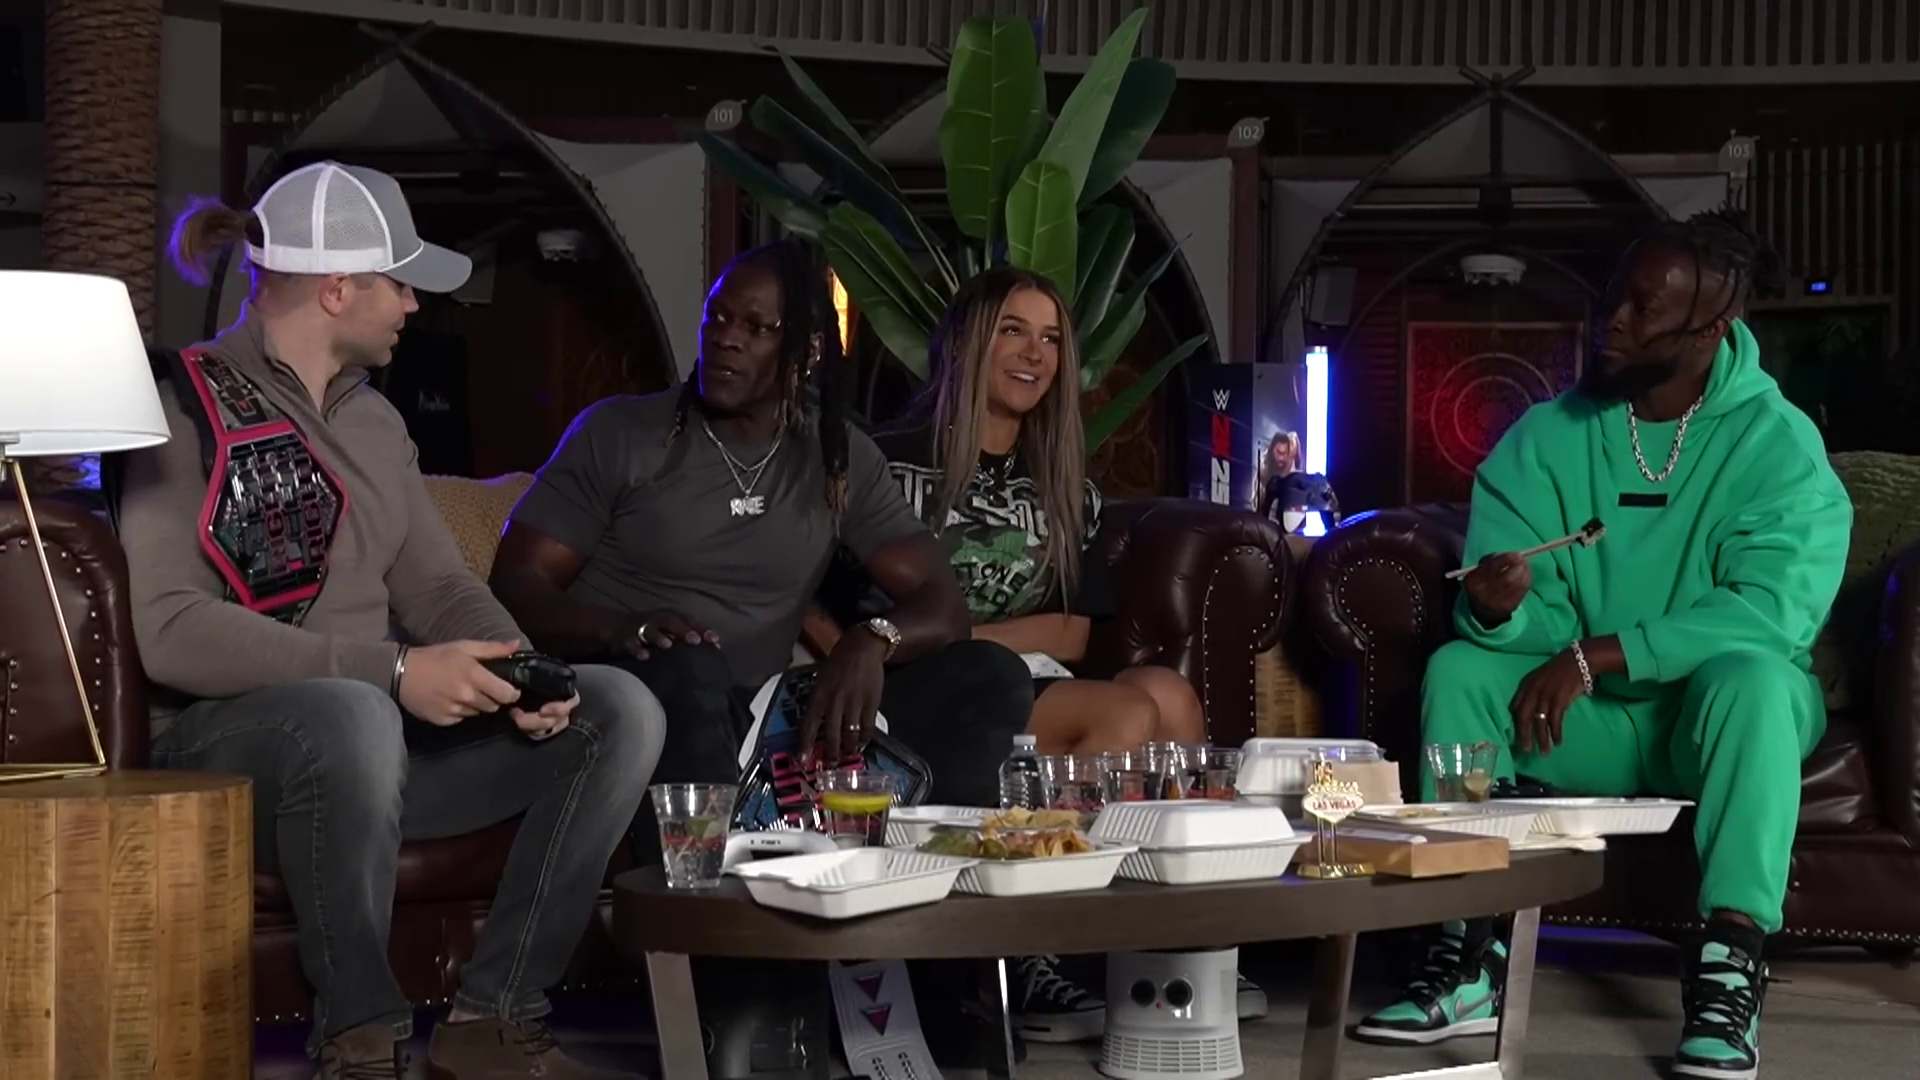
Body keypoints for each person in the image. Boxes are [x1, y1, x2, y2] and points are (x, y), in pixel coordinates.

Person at [113, 161, 667, 1080]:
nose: (414, 304)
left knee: (619, 708)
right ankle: (361, 1040)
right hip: (229, 759)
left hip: (375, 751)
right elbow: (168, 628)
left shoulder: (375, 423)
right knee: (354, 711)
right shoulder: (180, 406)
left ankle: (495, 1019)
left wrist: (525, 672)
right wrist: (397, 674)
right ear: (337, 288)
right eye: (399, 282)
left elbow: (439, 586)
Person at [1355, 209, 1848, 1080]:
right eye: (1613, 297)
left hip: (1713, 724)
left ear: (1709, 330)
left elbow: (1772, 614)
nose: (1610, 321)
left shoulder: (1778, 443)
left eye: (1642, 309)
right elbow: (1535, 618)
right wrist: (1505, 612)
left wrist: (1600, 655)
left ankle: (1732, 963)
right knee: (1461, 668)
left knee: (1757, 681)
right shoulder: (1548, 436)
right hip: (1584, 722)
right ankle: (1467, 947)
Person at [489, 240, 1034, 811]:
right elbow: (516, 582)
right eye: (717, 317)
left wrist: (872, 640)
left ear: (808, 349)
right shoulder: (622, 434)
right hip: (636, 687)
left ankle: (924, 851)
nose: (726, 338)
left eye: (757, 327)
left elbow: (943, 604)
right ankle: (711, 863)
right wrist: (619, 628)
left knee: (992, 673)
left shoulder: (837, 456)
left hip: (761, 714)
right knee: (691, 665)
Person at [862, 267, 1204, 753]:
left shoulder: (1068, 487)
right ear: (961, 343)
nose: (1034, 353)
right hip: (916, 681)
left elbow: (1070, 634)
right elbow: (815, 599)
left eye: (1050, 339)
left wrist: (952, 634)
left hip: (1018, 672)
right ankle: (1045, 811)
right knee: (1127, 712)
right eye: (1012, 330)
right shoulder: (883, 462)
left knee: (1171, 697)